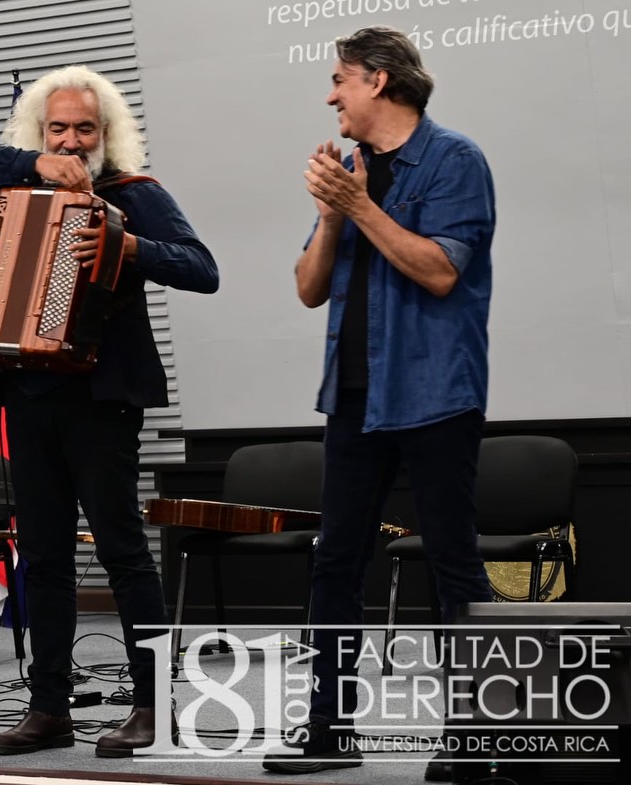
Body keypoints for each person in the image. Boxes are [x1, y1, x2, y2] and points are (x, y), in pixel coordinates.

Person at [0, 65, 219, 758]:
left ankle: (154, 704)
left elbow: (200, 266)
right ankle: (49, 706)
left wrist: (130, 246)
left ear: (107, 135)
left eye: (84, 129)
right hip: (29, 395)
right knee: (42, 556)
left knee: (124, 552)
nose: (72, 139)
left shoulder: (132, 194)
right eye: (57, 127)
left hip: (103, 399)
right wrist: (36, 160)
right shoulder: (19, 188)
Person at [261, 27, 496, 776]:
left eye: (339, 79)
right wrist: (332, 215)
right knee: (336, 562)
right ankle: (330, 728)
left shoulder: (455, 160)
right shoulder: (350, 171)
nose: (329, 94)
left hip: (434, 394)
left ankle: (476, 735)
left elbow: (439, 271)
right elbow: (306, 288)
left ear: (378, 80)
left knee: (454, 565)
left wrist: (359, 206)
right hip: (354, 396)